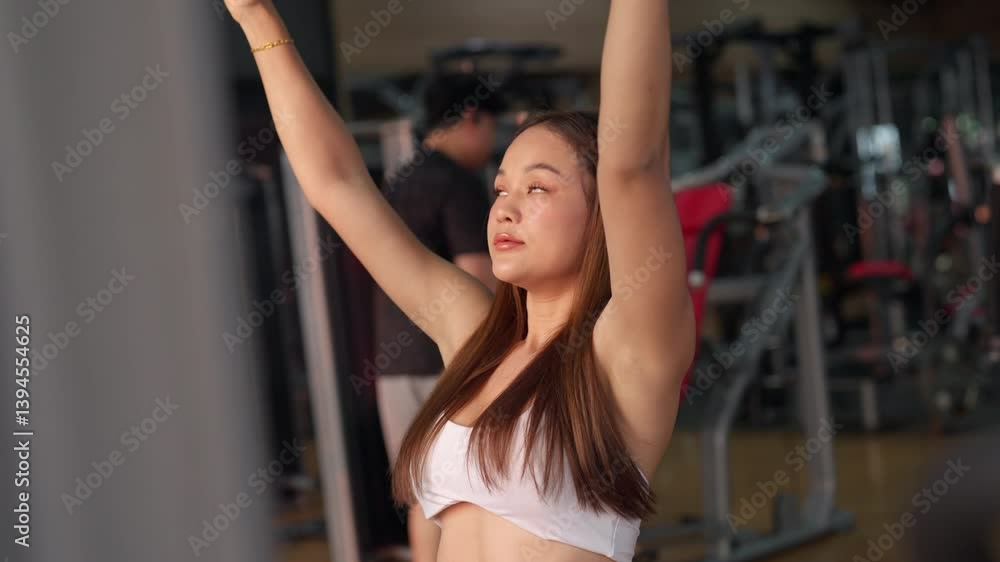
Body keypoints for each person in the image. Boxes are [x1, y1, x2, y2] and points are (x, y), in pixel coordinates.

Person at [225, 0, 694, 560]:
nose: (505, 209)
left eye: (538, 188)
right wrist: (256, 16)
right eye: (501, 189)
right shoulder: (476, 337)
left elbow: (633, 165)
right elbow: (337, 184)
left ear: (603, 215)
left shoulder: (628, 348)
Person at [372, 73, 501, 561]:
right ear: (471, 117)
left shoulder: (399, 181)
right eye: (491, 128)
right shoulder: (458, 184)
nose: (491, 144)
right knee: (466, 495)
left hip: (394, 364)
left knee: (424, 495)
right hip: (448, 359)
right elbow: (478, 277)